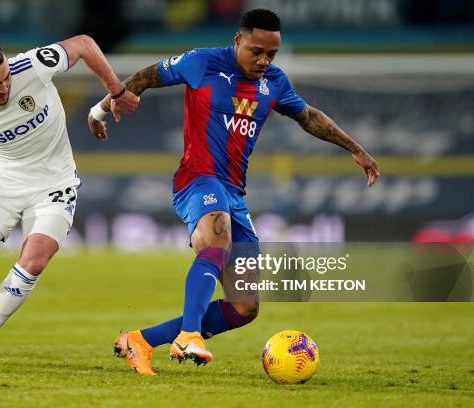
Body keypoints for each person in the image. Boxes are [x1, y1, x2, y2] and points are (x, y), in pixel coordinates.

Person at [87, 9, 380, 376]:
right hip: (197, 179)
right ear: (238, 40)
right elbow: (147, 76)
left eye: (271, 54)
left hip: (233, 193)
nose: (263, 61)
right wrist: (104, 108)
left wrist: (354, 148)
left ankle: (139, 341)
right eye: (257, 51)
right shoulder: (202, 62)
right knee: (216, 240)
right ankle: (190, 334)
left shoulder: (274, 82)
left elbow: (309, 116)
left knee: (245, 307)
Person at [0, 31, 139, 370]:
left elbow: (84, 44)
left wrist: (115, 89)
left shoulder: (31, 66)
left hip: (55, 183)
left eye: (5, 79)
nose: (4, 88)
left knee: (33, 263)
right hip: (1, 185)